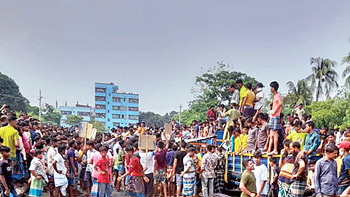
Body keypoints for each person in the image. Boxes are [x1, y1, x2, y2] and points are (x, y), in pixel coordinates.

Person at [267, 81, 283, 155]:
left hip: (275, 116)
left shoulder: (277, 95)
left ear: (273, 88)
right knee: (271, 134)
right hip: (273, 116)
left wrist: (274, 111)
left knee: (275, 133)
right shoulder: (275, 96)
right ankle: (269, 150)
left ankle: (275, 149)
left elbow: (280, 103)